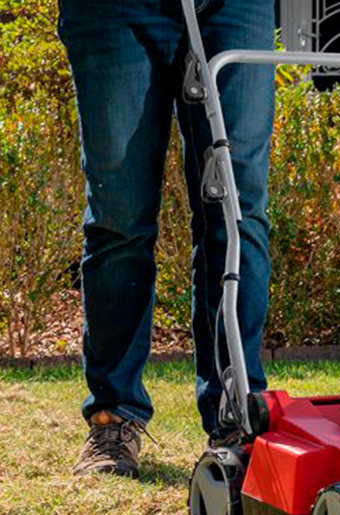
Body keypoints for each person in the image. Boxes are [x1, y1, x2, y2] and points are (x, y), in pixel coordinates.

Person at [58, 0, 275, 478]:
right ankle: (113, 415)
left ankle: (236, 415)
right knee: (120, 216)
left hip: (234, 8)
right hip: (115, 12)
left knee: (237, 211)